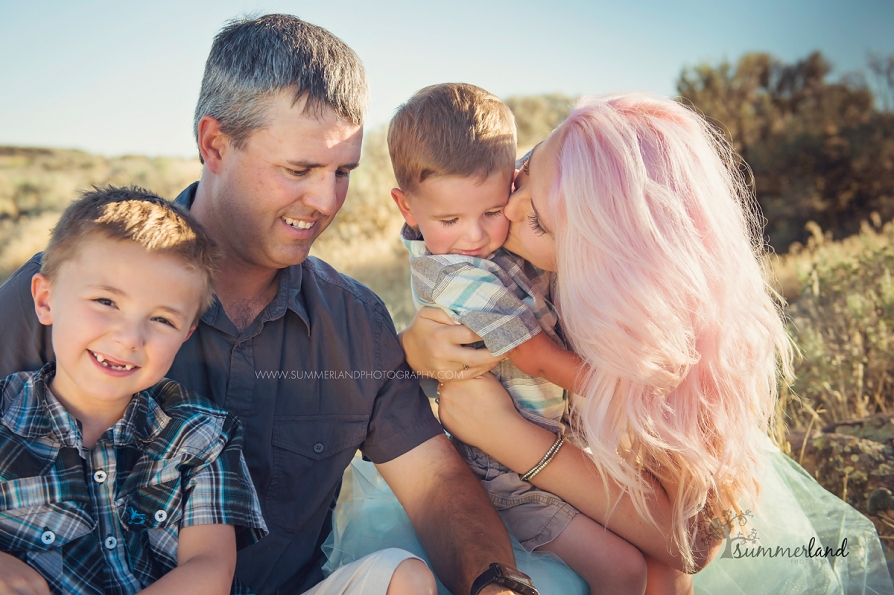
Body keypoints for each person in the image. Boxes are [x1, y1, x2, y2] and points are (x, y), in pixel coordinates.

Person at [0, 14, 529, 595]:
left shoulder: (355, 322)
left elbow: (435, 484)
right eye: (298, 170)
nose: (326, 201)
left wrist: (495, 584)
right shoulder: (76, 288)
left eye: (342, 172)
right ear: (214, 145)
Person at [393, 93, 894, 594]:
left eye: (537, 221)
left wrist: (514, 434)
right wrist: (411, 347)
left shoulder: (653, 341)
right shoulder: (498, 220)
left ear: (606, 255)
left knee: (658, 573)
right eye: (521, 177)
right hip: (515, 480)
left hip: (558, 459)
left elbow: (692, 544)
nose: (504, 216)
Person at [385, 82, 646, 593]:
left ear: (515, 180)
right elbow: (538, 358)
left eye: (491, 210)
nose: (476, 235)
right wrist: (627, 392)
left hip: (562, 437)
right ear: (406, 208)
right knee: (622, 568)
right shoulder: (456, 275)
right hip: (510, 473)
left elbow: (548, 162)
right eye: (450, 219)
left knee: (651, 552)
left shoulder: (504, 191)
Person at [0, 187, 267, 595]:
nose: (129, 338)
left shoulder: (200, 434)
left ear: (186, 334)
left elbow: (209, 566)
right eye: (106, 301)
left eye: (161, 319)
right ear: (45, 299)